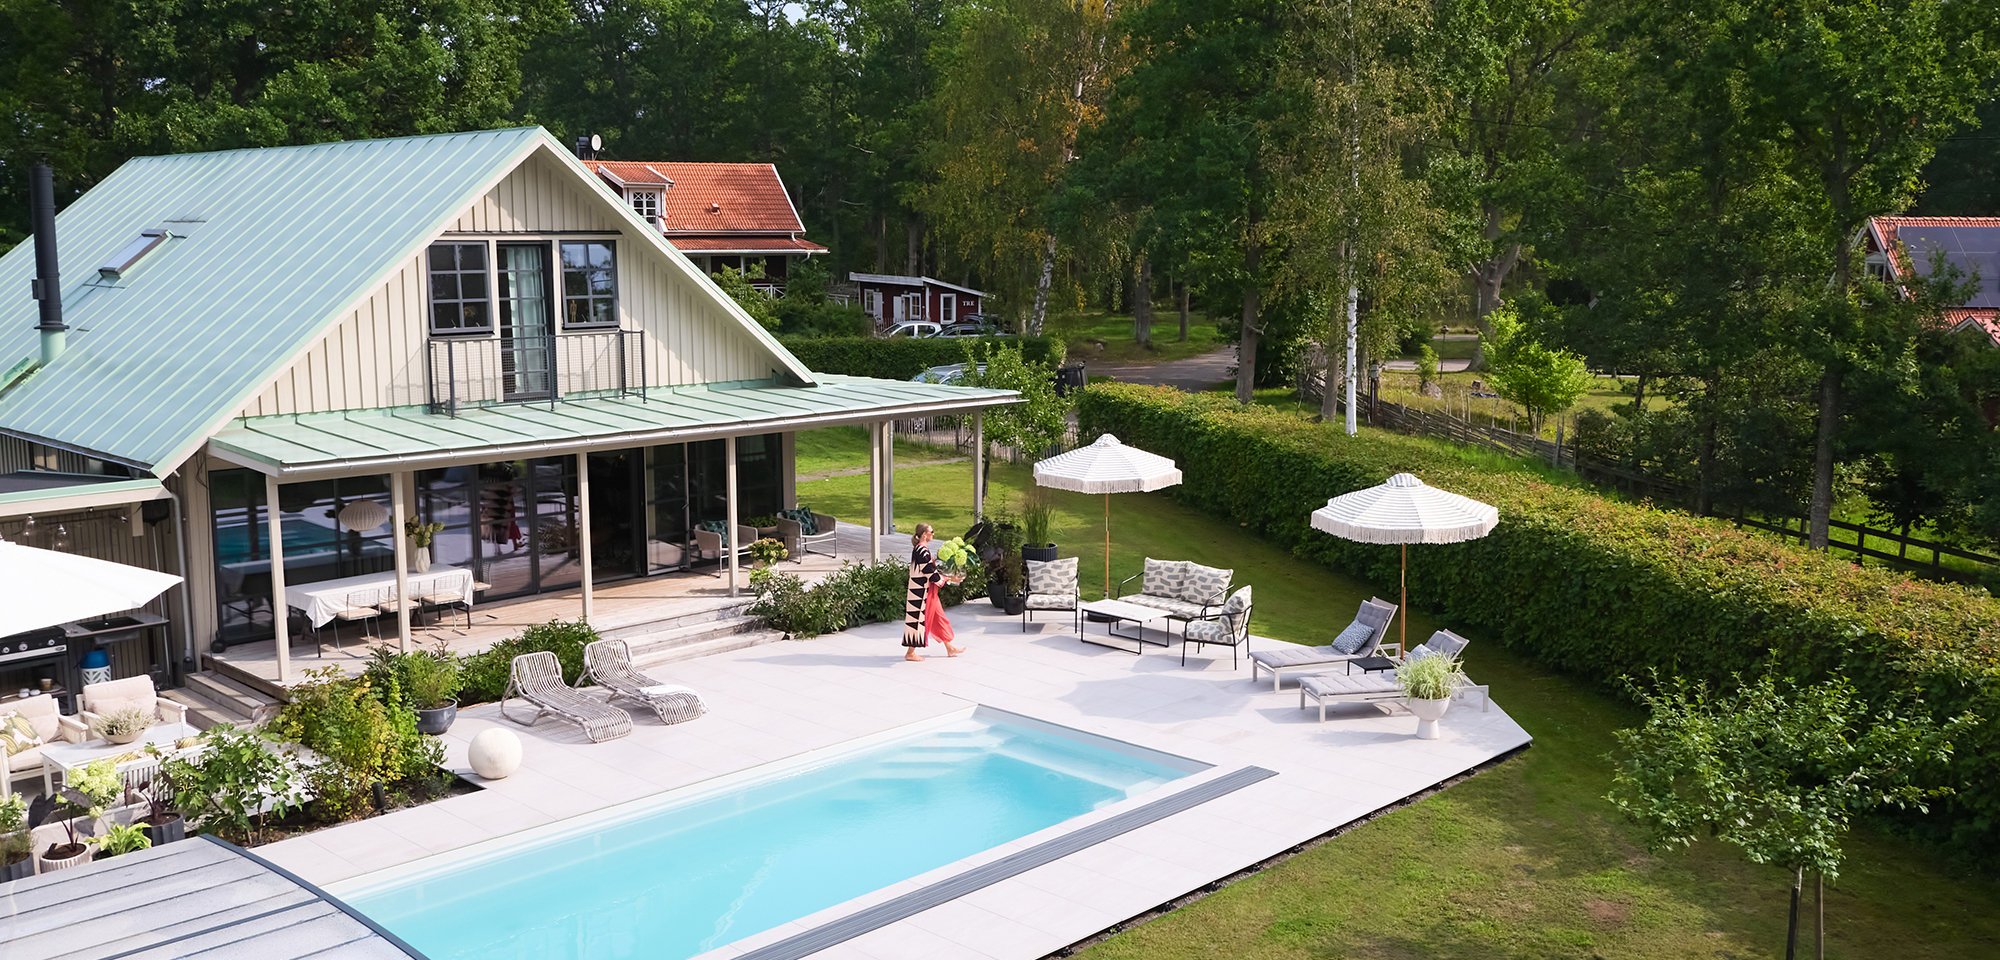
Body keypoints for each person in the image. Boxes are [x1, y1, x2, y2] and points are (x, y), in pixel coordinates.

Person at [902, 523, 966, 661]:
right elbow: (930, 573)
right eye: (932, 531)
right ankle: (910, 653)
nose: (933, 534)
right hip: (921, 594)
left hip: (928, 591)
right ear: (924, 534)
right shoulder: (921, 551)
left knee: (939, 618)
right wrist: (950, 579)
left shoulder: (922, 549)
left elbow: (931, 571)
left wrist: (949, 577)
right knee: (919, 620)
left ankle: (949, 648)